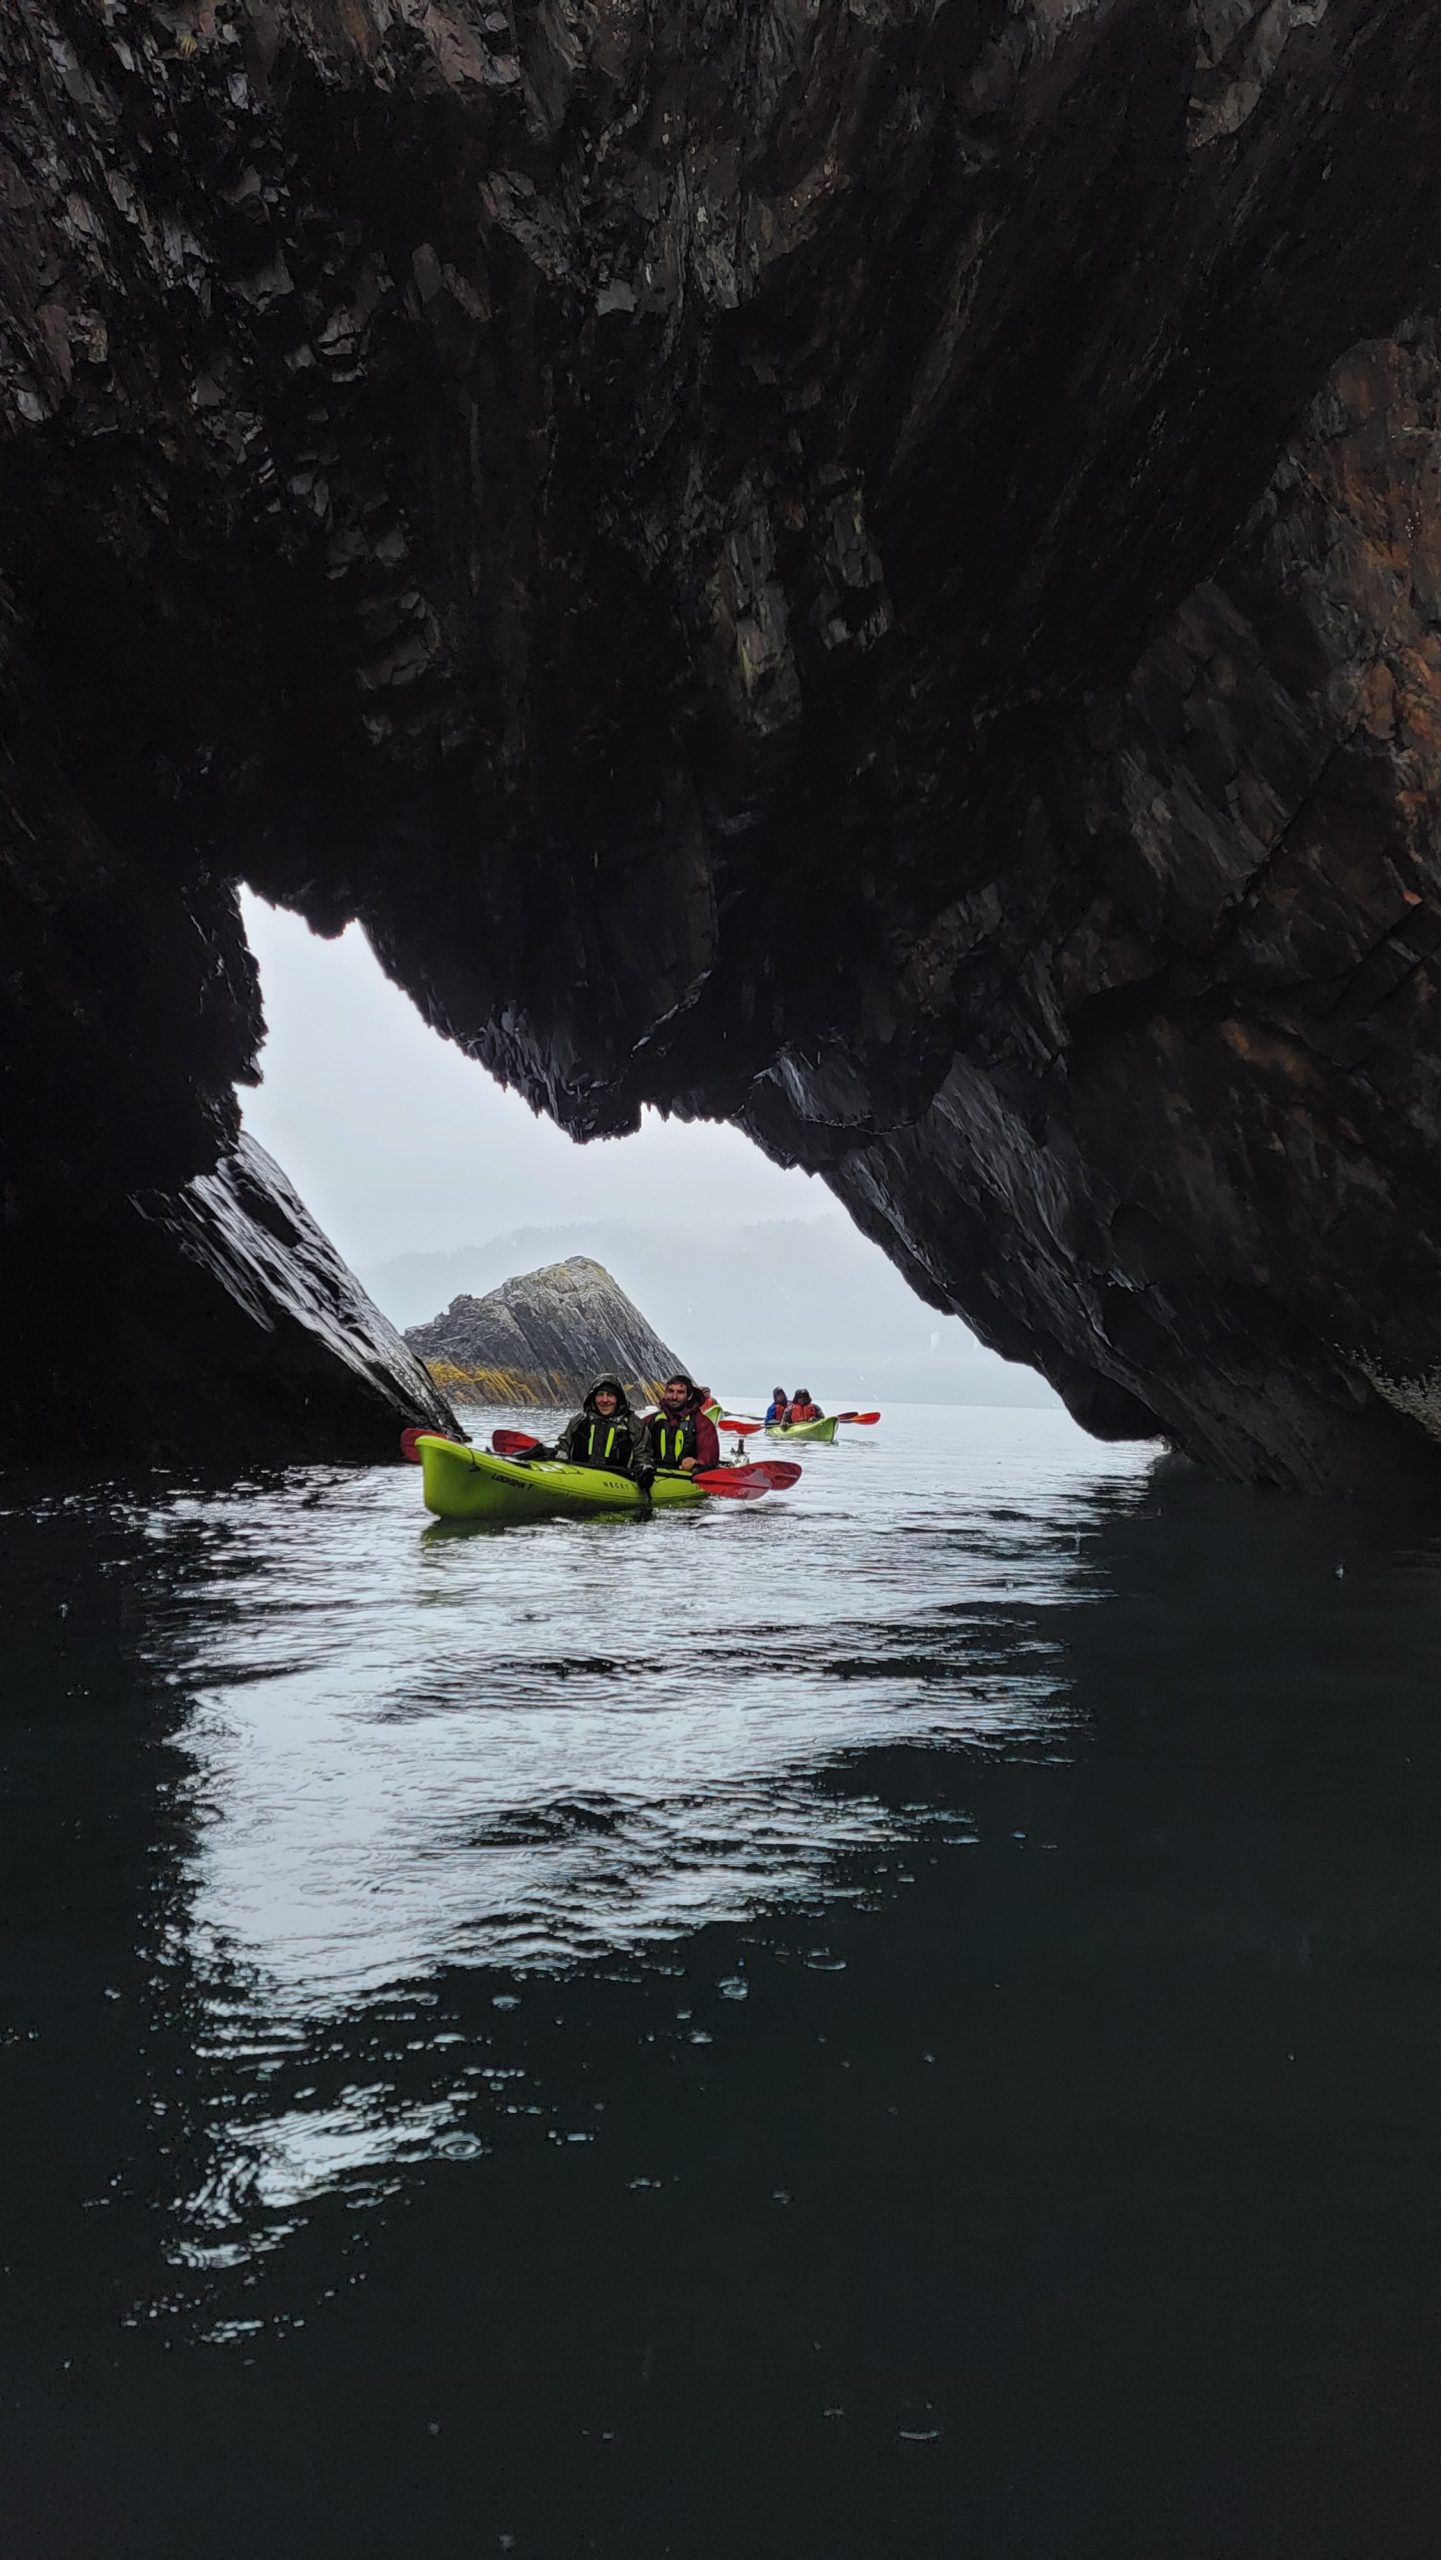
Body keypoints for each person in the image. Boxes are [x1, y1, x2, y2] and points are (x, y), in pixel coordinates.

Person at [549, 1377, 650, 1478]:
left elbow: (643, 1456)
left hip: (619, 1484)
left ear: (618, 1398)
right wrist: (560, 1455)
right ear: (593, 1397)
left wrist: (643, 1469)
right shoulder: (578, 1421)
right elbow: (563, 1447)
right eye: (600, 1395)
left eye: (610, 1395)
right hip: (579, 1479)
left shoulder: (635, 1425)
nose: (604, 1400)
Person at [644, 1373, 720, 1475]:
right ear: (665, 1393)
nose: (674, 1397)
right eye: (670, 1391)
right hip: (653, 1475)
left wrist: (697, 1463)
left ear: (689, 1396)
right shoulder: (652, 1419)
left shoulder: (702, 1423)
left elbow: (709, 1454)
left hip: (686, 1477)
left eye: (680, 1392)